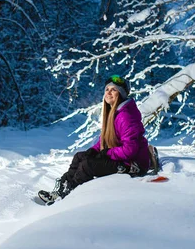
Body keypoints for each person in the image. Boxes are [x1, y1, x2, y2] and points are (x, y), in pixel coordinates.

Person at [38, 74, 150, 205]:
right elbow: (105, 140)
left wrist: (107, 153)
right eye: (107, 89)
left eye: (114, 89)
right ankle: (61, 190)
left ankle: (67, 196)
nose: (109, 92)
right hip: (122, 160)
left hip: (133, 164)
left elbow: (130, 150)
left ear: (121, 94)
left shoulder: (126, 116)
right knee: (80, 157)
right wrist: (94, 150)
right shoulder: (115, 113)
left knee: (88, 165)